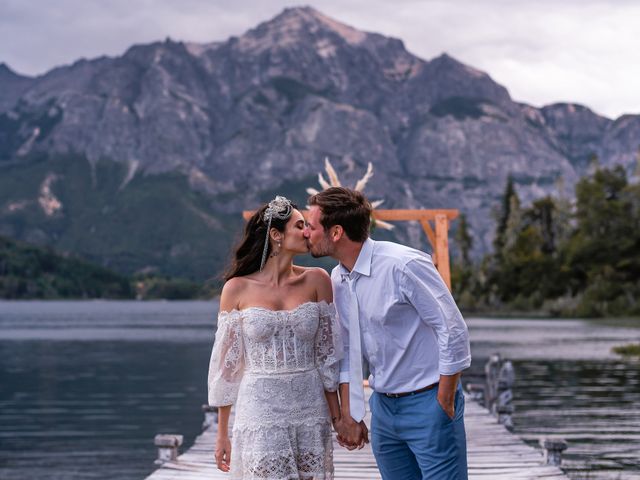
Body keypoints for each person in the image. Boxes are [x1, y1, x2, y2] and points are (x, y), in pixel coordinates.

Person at [304, 187, 471, 480]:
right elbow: (349, 352)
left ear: (336, 232)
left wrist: (444, 400)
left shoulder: (403, 265)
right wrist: (350, 415)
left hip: (428, 402)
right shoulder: (338, 278)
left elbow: (452, 329)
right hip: (383, 409)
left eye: (312, 225)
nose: (306, 233)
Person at [207, 196, 344, 479]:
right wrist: (222, 435)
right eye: (300, 225)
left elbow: (328, 356)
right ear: (276, 234)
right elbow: (228, 368)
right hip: (260, 410)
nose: (308, 232)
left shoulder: (318, 280)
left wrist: (339, 418)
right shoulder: (236, 289)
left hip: (310, 407)